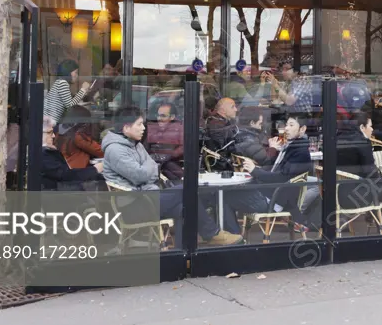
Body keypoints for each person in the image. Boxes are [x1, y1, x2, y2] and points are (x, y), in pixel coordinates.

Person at [102, 107, 243, 247]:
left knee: (184, 208)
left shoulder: (134, 144)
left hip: (147, 197)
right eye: (139, 124)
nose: (143, 128)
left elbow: (152, 166)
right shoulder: (115, 149)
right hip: (134, 207)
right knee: (186, 189)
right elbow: (140, 176)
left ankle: (182, 253)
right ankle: (213, 234)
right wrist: (150, 170)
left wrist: (149, 170)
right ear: (126, 128)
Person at [242, 114, 317, 229]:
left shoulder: (299, 151)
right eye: (287, 124)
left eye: (291, 125)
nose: (286, 128)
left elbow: (282, 178)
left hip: (274, 198)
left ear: (302, 129)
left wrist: (255, 171)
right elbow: (274, 170)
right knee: (229, 197)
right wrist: (274, 151)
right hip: (269, 192)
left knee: (229, 197)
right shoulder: (290, 147)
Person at [39, 115, 105, 191]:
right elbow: (65, 175)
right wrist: (95, 169)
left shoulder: (47, 150)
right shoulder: (43, 155)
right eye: (49, 132)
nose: (53, 136)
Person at [146, 101, 184, 181]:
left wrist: (168, 155)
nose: (159, 118)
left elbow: (184, 147)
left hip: (173, 165)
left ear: (172, 117)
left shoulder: (180, 129)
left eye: (163, 116)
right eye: (158, 115)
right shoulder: (152, 128)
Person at [57, 105, 103, 169]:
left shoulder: (60, 132)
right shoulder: (77, 136)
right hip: (77, 172)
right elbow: (100, 151)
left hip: (67, 169)